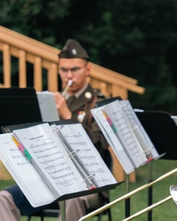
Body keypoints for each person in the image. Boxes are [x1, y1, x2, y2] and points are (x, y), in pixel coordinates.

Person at [0, 39, 111, 221]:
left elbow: (99, 145)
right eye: (64, 70)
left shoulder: (98, 103)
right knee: (3, 199)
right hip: (51, 181)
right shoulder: (49, 101)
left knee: (73, 199)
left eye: (75, 69)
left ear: (87, 70)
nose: (69, 75)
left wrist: (68, 117)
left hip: (90, 183)